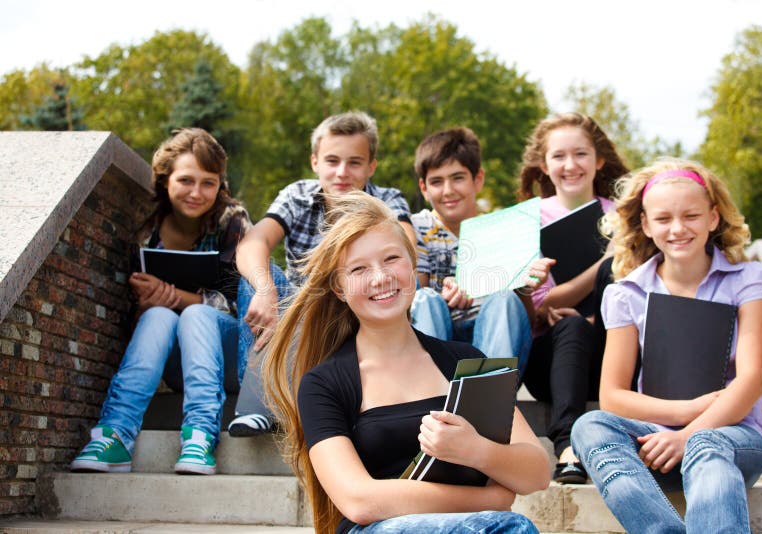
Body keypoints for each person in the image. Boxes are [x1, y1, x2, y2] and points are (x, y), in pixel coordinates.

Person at [263, 190, 550, 534]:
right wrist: (490, 501)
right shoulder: (323, 384)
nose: (380, 277)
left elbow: (536, 472)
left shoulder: (467, 361)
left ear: (413, 267)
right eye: (358, 269)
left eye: (391, 259)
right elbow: (359, 501)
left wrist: (476, 450)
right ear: (339, 288)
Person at [571, 159, 762, 533]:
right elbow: (613, 396)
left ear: (713, 218)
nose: (678, 229)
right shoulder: (626, 293)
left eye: (691, 215)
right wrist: (686, 414)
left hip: (733, 437)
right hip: (656, 442)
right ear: (646, 225)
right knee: (589, 425)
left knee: (707, 444)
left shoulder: (747, 279)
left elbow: (752, 380)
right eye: (663, 219)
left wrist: (690, 435)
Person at [70, 128, 250, 475]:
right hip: (174, 363)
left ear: (220, 185)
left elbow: (244, 305)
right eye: (186, 180)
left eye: (208, 182)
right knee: (158, 318)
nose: (197, 193)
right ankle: (115, 436)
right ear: (165, 179)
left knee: (195, 313)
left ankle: (200, 435)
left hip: (227, 353)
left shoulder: (232, 221)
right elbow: (134, 328)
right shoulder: (146, 235)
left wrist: (178, 298)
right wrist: (148, 303)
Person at [229, 111, 415, 436]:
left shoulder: (387, 200)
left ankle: (270, 403)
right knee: (264, 274)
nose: (342, 172)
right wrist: (264, 288)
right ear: (315, 161)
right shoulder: (298, 195)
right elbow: (252, 243)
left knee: (324, 296)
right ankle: (261, 399)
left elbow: (407, 252)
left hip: (354, 309)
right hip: (293, 316)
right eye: (332, 160)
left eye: (354, 162)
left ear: (371, 166)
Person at [517, 112, 629, 483]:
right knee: (570, 326)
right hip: (550, 359)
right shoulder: (525, 220)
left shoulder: (626, 218)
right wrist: (605, 261)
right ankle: (568, 446)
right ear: (544, 166)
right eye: (558, 156)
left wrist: (595, 315)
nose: (570, 165)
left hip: (612, 350)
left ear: (598, 160)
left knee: (582, 319)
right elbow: (537, 306)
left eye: (580, 154)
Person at [409, 127, 551, 373]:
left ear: (478, 179)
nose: (448, 190)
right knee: (426, 298)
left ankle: (486, 396)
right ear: (424, 187)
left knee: (504, 298)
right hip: (437, 339)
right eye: (436, 182)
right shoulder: (415, 228)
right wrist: (445, 298)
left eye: (458, 178)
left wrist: (524, 288)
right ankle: (430, 393)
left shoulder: (506, 230)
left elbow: (526, 320)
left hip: (494, 343)